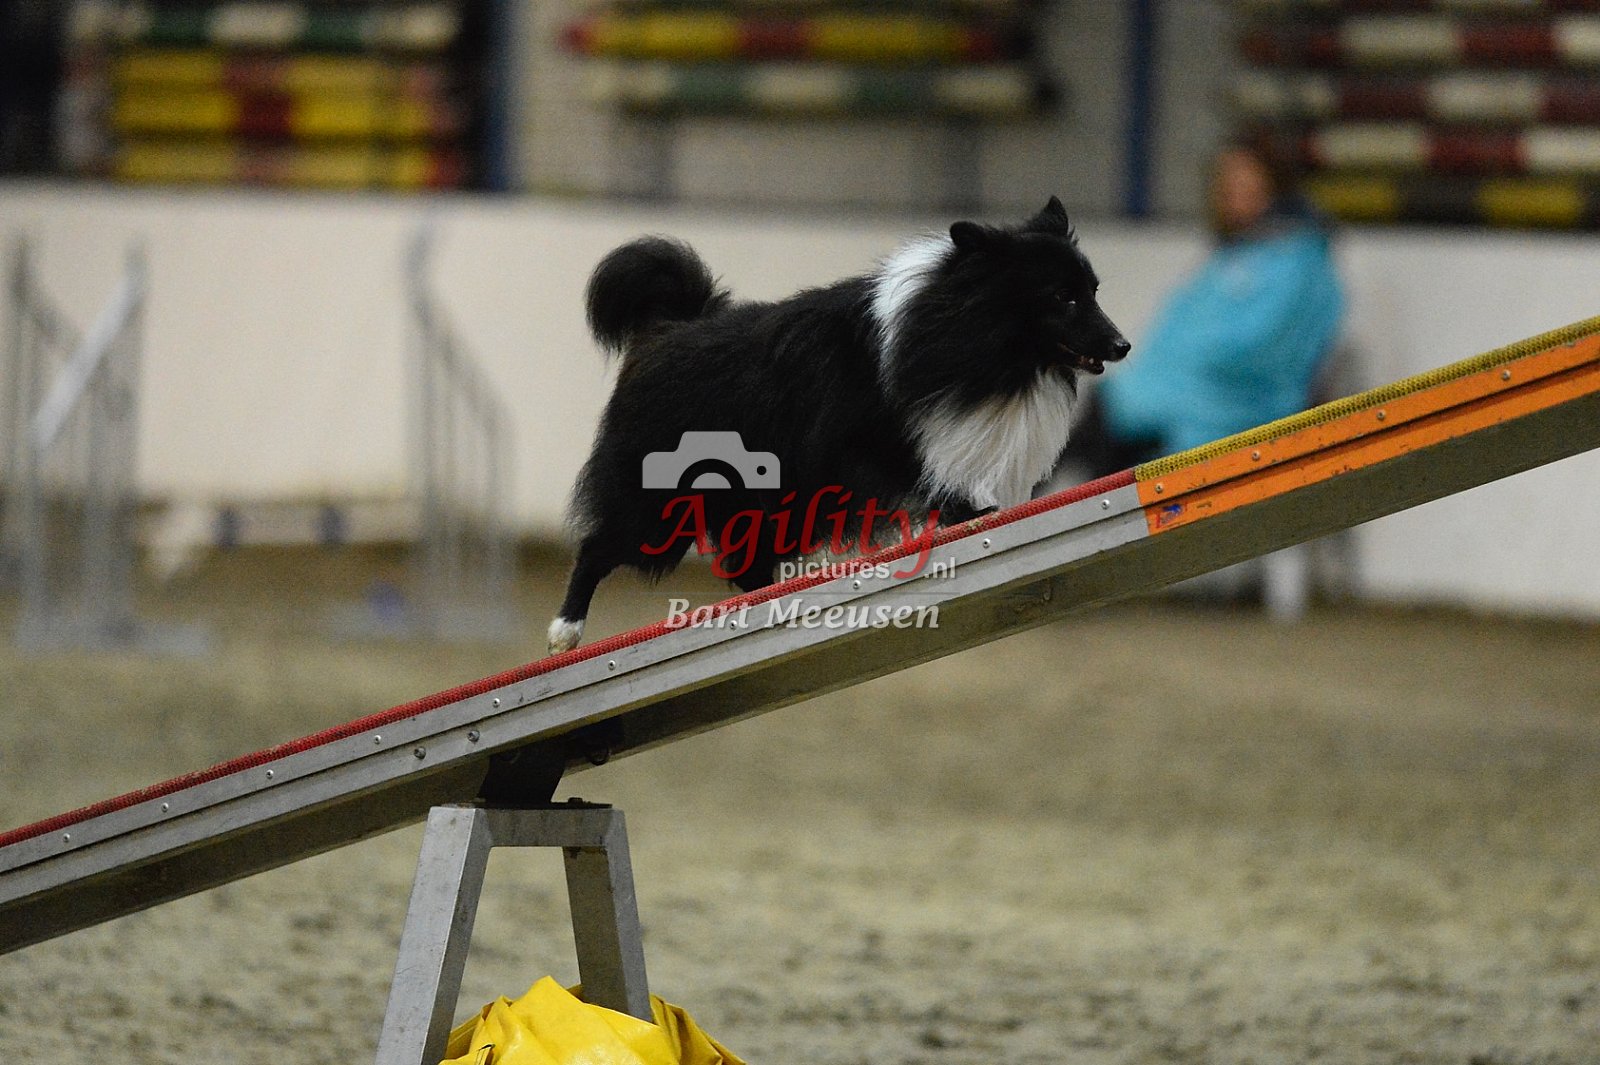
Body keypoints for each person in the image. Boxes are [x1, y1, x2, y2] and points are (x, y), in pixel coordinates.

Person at [1061, 140, 1346, 479]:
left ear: (1273, 187)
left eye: (1244, 184)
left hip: (1224, 416)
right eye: (1226, 185)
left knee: (1096, 437)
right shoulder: (1235, 255)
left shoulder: (1297, 263)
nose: (1231, 195)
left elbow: (1261, 350)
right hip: (1162, 407)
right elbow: (1174, 335)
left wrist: (1153, 393)